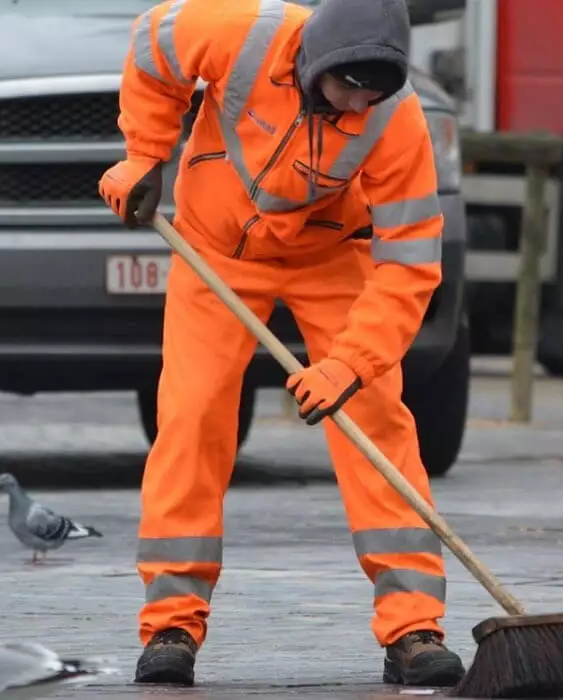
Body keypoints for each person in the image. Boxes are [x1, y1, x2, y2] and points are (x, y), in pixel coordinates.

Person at [98, 0, 465, 689]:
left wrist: (349, 365)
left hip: (330, 255)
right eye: (348, 87)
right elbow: (152, 45)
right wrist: (145, 155)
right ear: (314, 60)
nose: (359, 104)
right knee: (193, 415)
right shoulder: (240, 33)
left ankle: (413, 628)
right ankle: (172, 625)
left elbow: (411, 263)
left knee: (376, 419)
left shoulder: (396, 118)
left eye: (373, 92)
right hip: (213, 248)